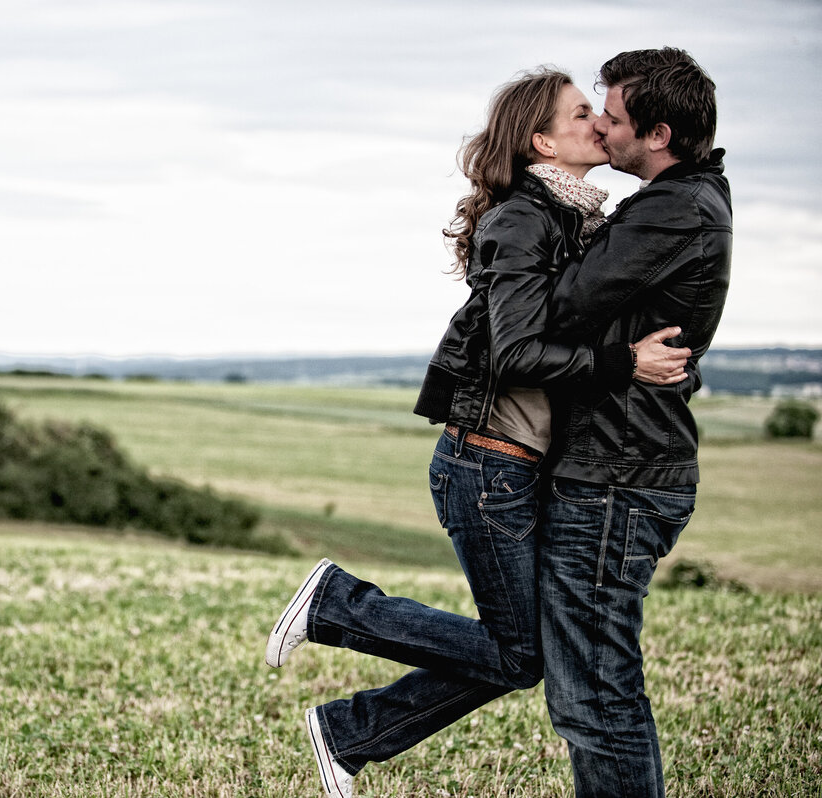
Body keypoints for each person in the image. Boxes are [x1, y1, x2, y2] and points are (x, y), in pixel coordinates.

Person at [262, 68, 687, 798]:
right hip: (489, 463)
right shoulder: (524, 220)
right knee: (521, 653)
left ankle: (348, 731)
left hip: (515, 465)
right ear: (541, 139)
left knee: (520, 655)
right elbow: (517, 351)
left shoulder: (572, 218)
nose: (599, 123)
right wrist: (625, 362)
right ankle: (337, 610)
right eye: (582, 112)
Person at [537, 48, 731, 798]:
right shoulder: (684, 201)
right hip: (624, 468)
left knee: (596, 693)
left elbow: (556, 307)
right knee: (587, 680)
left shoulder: (674, 209)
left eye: (611, 118)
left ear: (656, 134)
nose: (600, 127)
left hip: (618, 476)